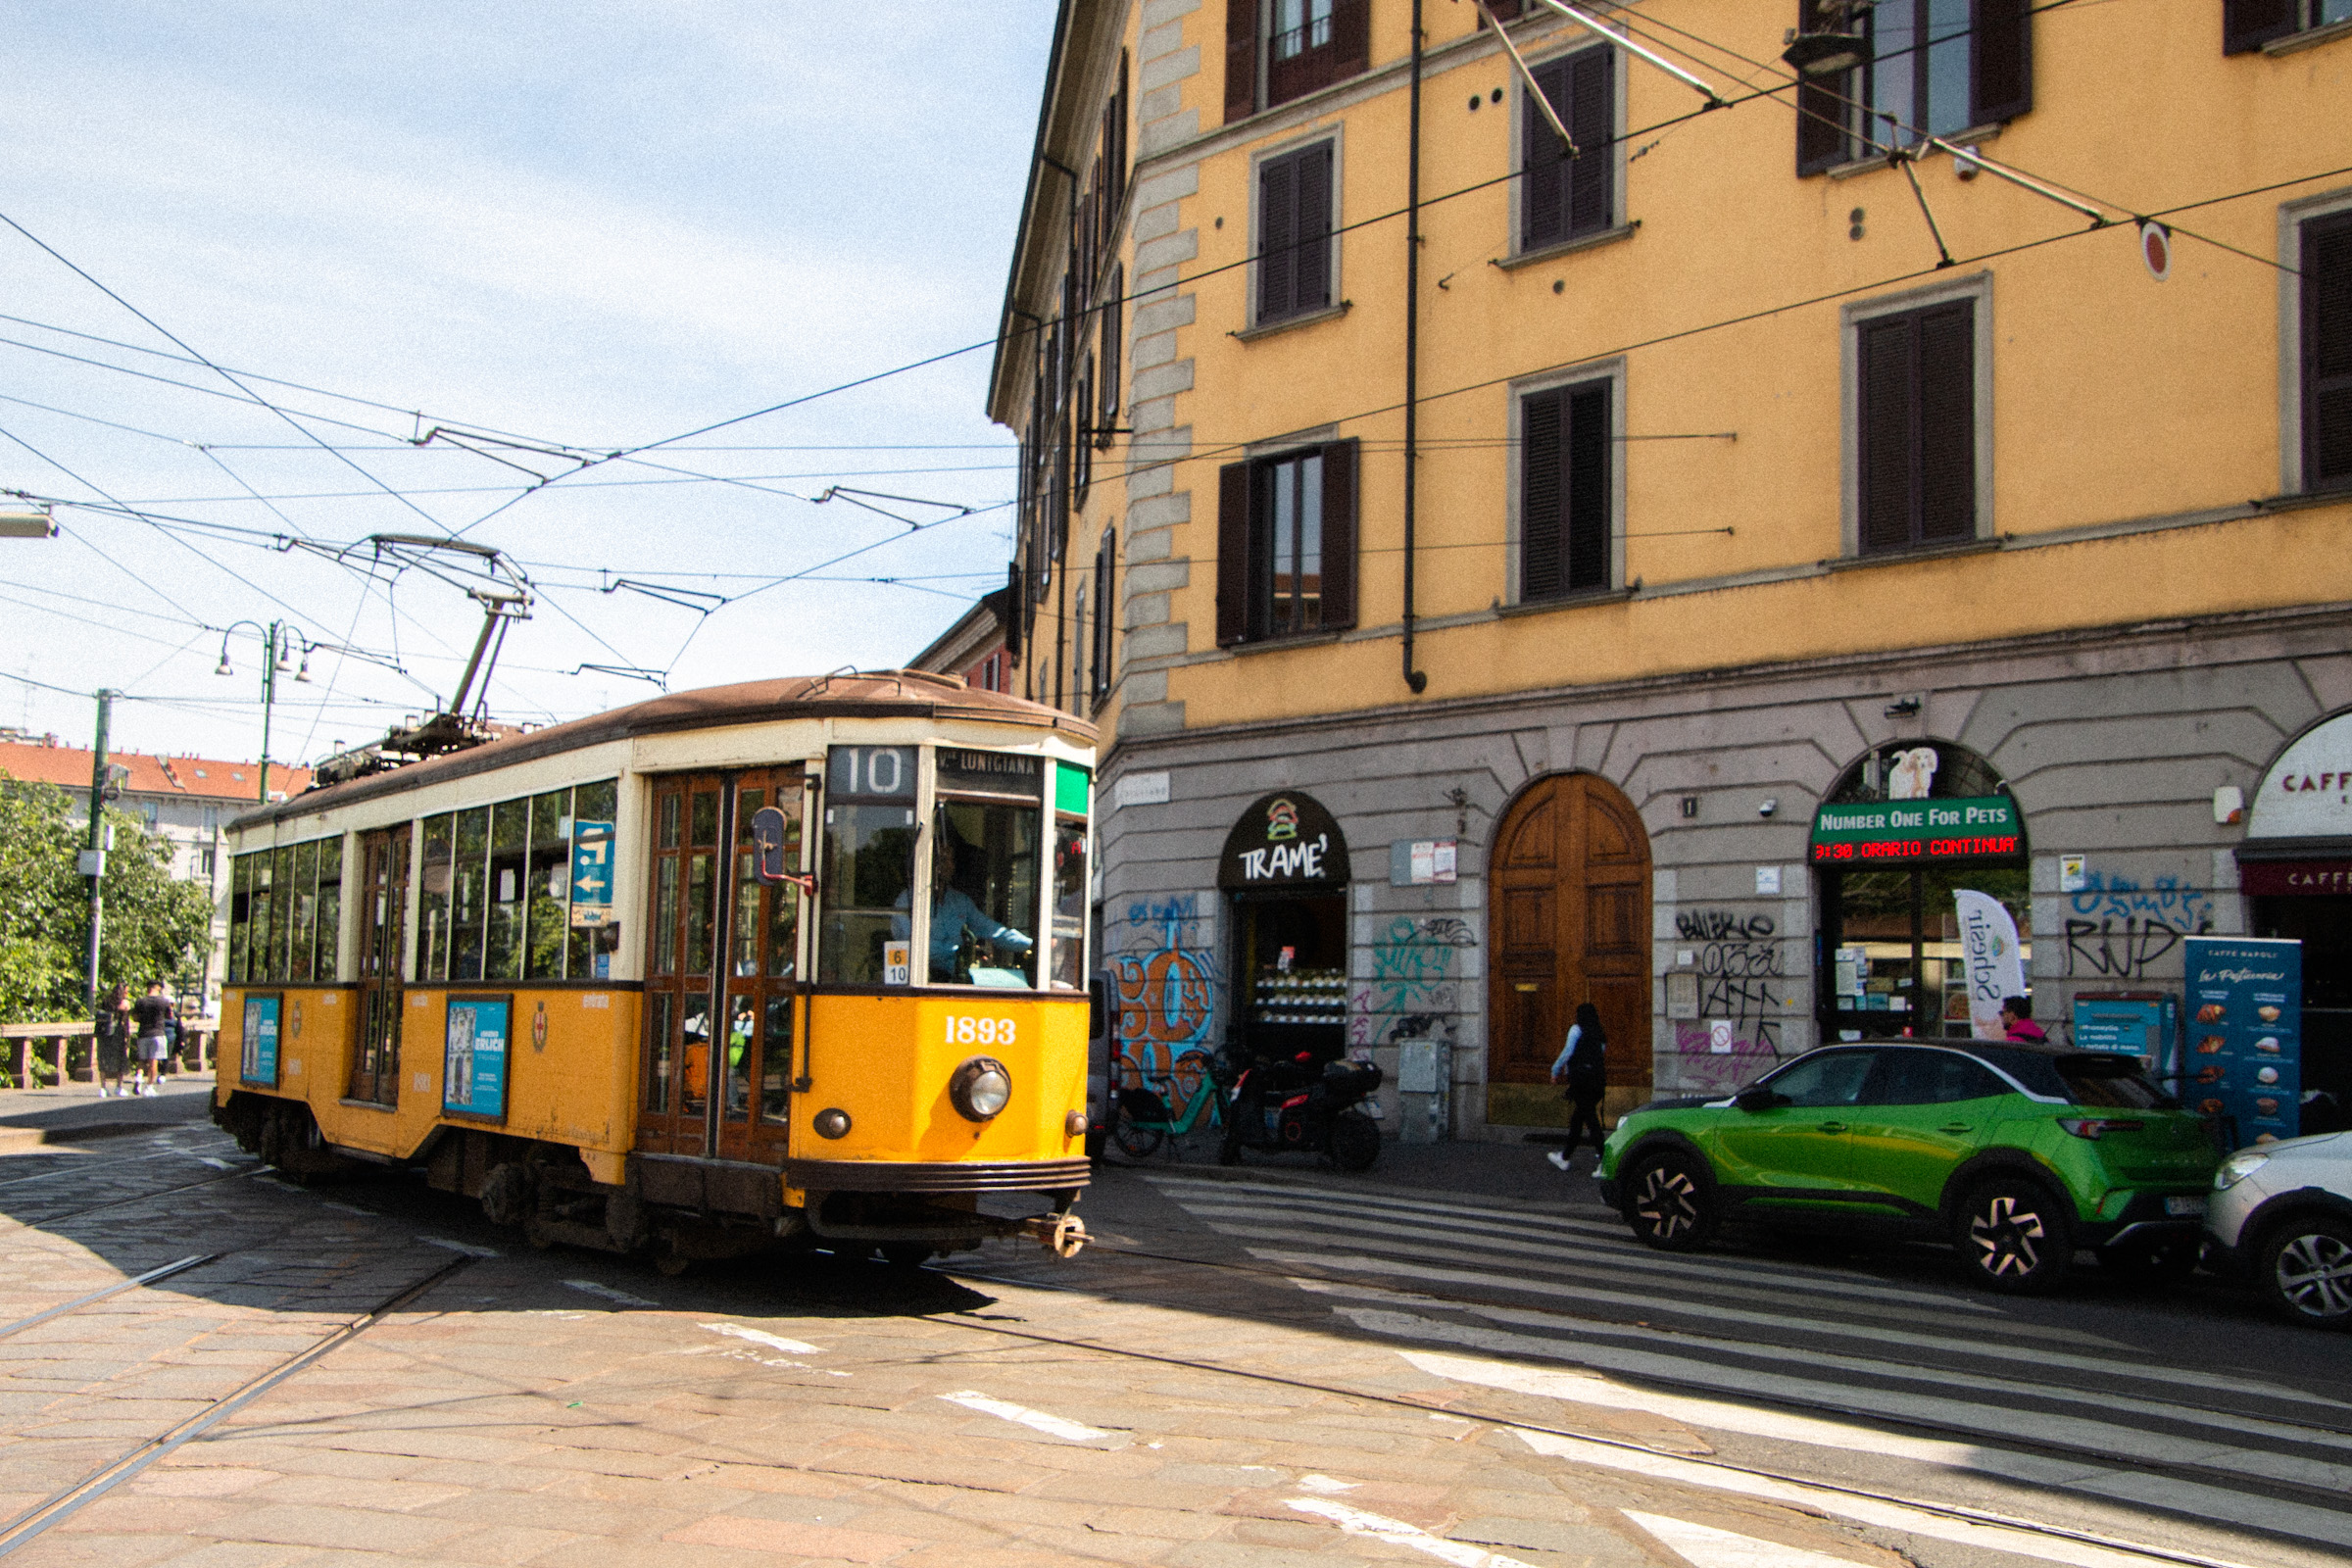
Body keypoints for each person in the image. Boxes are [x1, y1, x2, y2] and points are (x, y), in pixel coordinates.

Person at [897, 839, 1032, 983]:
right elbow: (913, 945)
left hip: (957, 979)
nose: (950, 866)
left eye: (951, 860)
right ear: (929, 863)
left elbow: (991, 930)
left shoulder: (960, 901)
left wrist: (1031, 944)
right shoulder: (908, 900)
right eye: (943, 860)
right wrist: (959, 951)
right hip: (920, 980)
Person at [1545, 1002, 1608, 1169]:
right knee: (1579, 1119)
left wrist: (1555, 1070)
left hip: (1580, 1082)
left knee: (1590, 1120)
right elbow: (1600, 1055)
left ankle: (1605, 1159)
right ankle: (1565, 1157)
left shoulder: (1576, 1030)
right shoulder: (1599, 1033)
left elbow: (1568, 1052)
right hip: (1597, 1081)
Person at [130, 981, 174, 1097]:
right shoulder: (163, 1001)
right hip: (157, 1033)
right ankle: (149, 1086)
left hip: (143, 1033)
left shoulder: (141, 1001)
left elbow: (135, 1017)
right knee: (153, 1060)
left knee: (141, 1060)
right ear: (157, 988)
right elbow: (170, 1016)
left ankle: (139, 1078)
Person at [95, 982, 131, 1099]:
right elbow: (126, 1020)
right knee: (120, 1059)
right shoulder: (124, 1003)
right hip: (118, 1033)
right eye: (126, 991)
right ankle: (118, 1087)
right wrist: (127, 1036)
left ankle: (103, 1088)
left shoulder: (106, 1001)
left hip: (104, 1033)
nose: (127, 993)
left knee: (104, 1059)